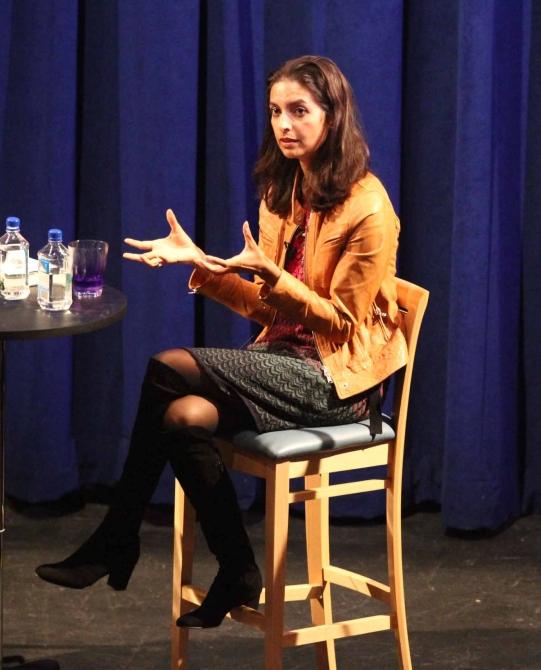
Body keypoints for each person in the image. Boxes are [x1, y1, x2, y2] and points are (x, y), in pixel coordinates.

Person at [35, 55, 407, 629]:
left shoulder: (370, 207)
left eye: (298, 111)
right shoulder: (283, 192)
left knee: (166, 366)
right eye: (276, 111)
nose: (283, 124)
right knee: (182, 417)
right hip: (280, 361)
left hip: (337, 380)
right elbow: (265, 307)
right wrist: (204, 267)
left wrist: (277, 277)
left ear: (332, 117)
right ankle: (236, 565)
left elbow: (341, 324)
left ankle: (117, 537)